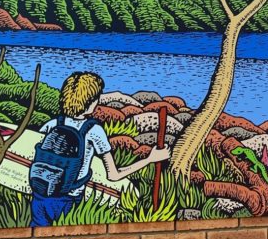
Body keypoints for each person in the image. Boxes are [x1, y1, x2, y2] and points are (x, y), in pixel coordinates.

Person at [29, 72, 168, 227]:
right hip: (68, 200)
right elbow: (114, 175)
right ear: (90, 103)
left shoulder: (53, 124)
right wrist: (150, 159)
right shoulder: (93, 131)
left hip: (39, 196)